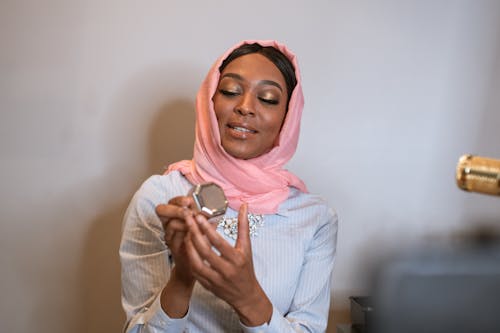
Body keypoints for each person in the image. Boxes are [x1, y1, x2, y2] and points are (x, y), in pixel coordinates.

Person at [120, 40, 338, 332]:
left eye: (269, 98)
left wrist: (249, 299)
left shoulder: (315, 219)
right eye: (231, 91)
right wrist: (183, 278)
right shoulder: (159, 200)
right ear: (209, 101)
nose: (246, 107)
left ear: (288, 118)